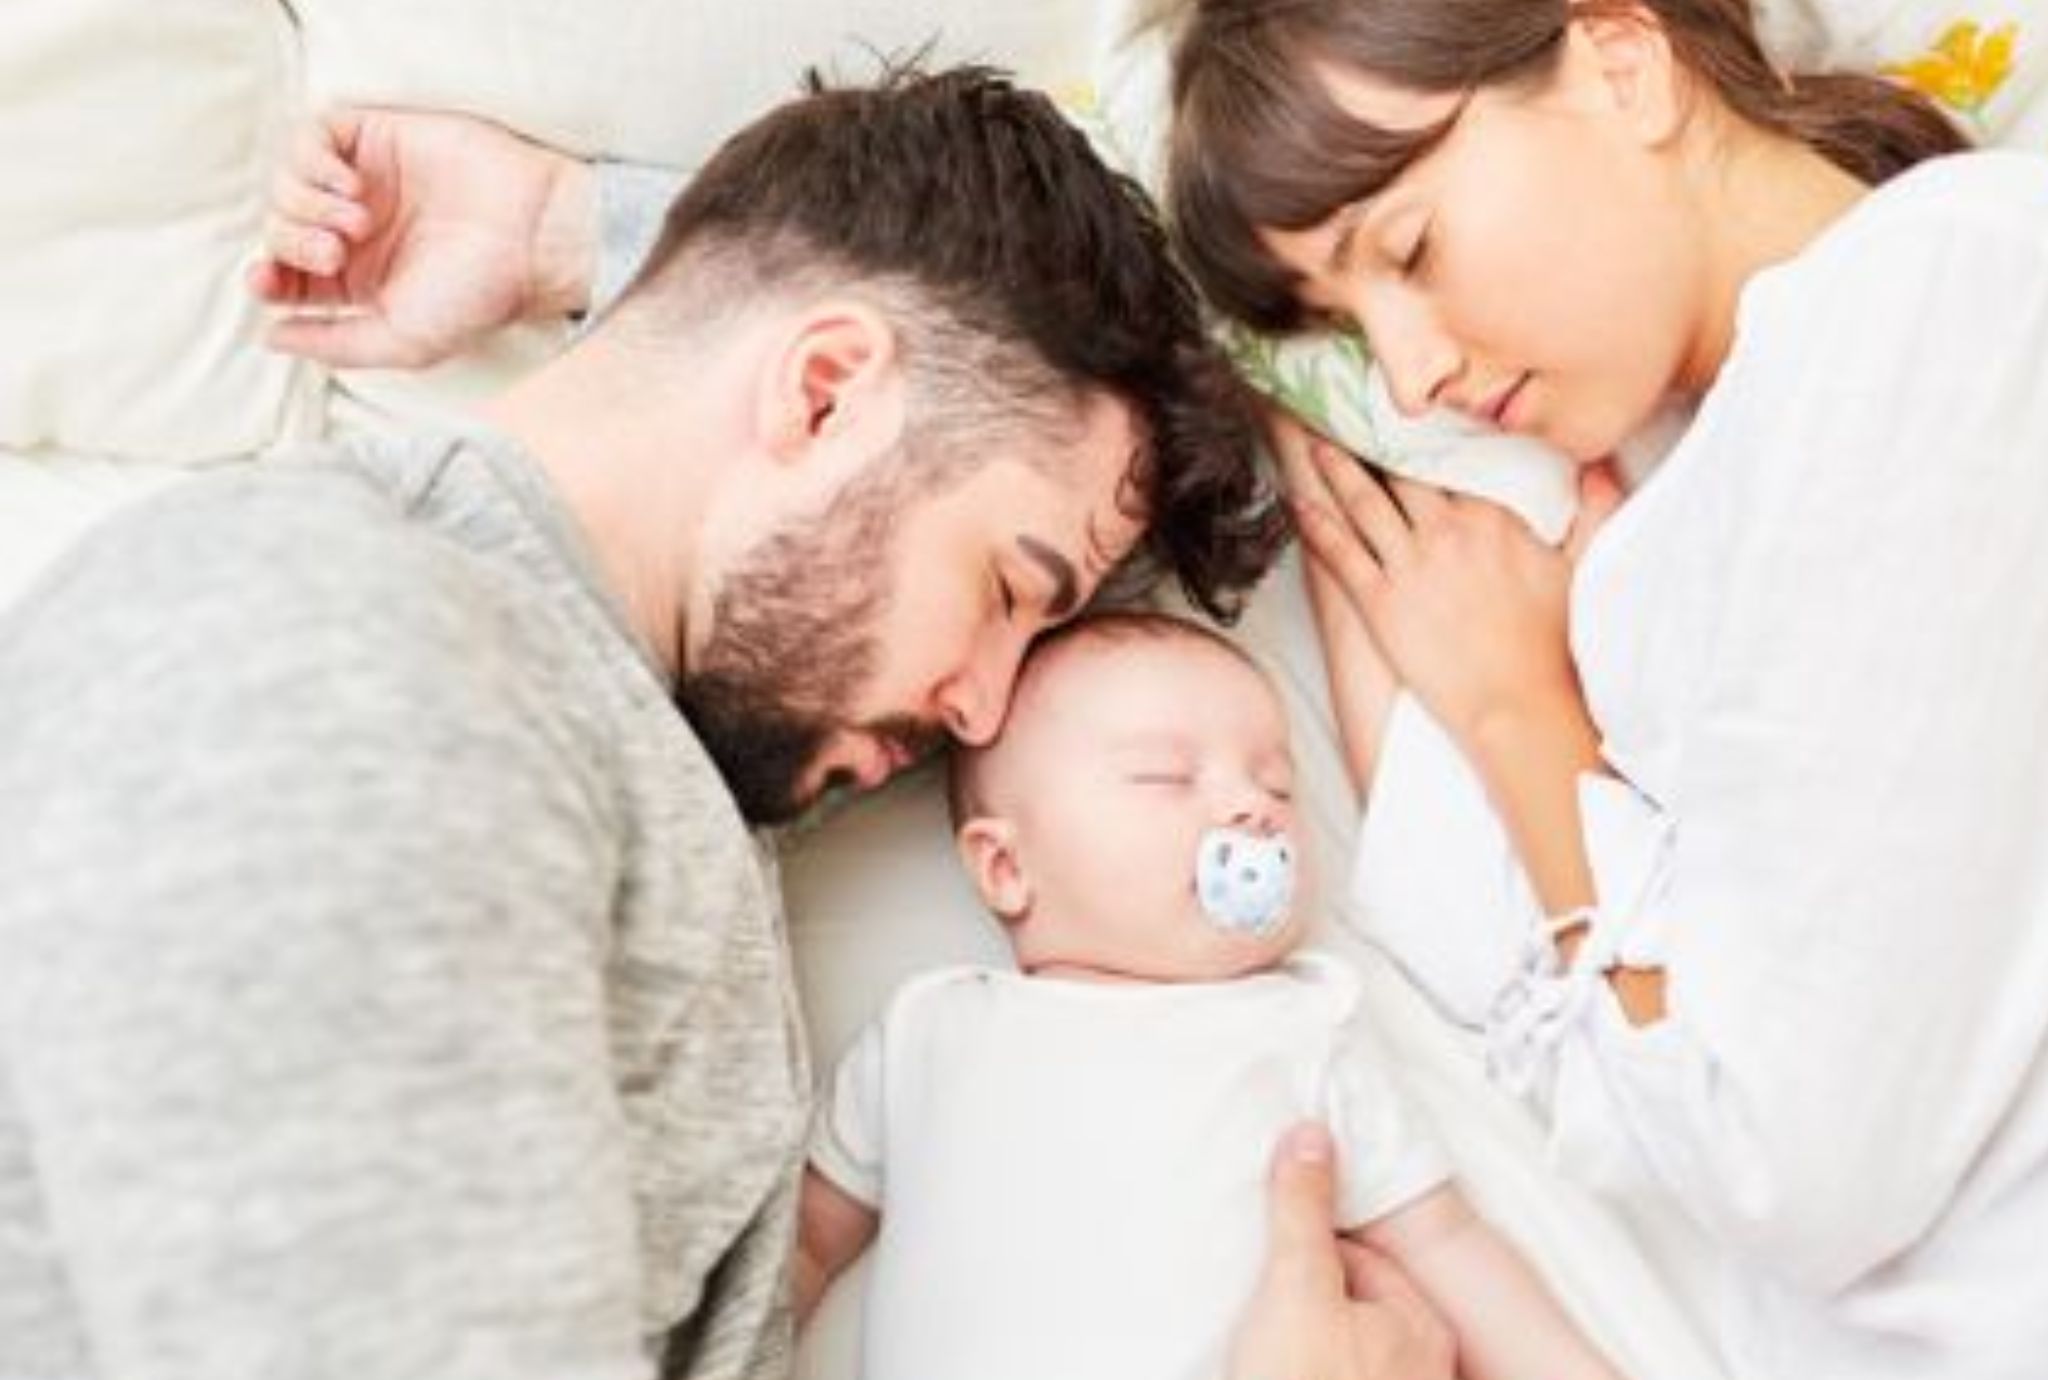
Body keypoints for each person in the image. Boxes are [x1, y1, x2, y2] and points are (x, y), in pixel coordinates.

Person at [0, 65, 1313, 1380]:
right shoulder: (343, 654)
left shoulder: (673, 706)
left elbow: (1121, 412)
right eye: (1008, 589)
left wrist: (568, 234)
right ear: (821, 393)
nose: (988, 702)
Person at [1166, 1, 2048, 1377]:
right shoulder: (1665, 505)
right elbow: (1551, 1015)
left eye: (1410, 248)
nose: (1410, 372)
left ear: (1625, 64)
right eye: (1348, 325)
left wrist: (1528, 722)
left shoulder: (1940, 297)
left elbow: (1789, 1169)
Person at [793, 612, 1621, 1380]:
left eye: (1278, 785)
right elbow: (801, 1246)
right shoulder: (929, 1027)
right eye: (1165, 777)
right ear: (1007, 867)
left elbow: (1443, 1242)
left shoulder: (1305, 1023)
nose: (1250, 809)